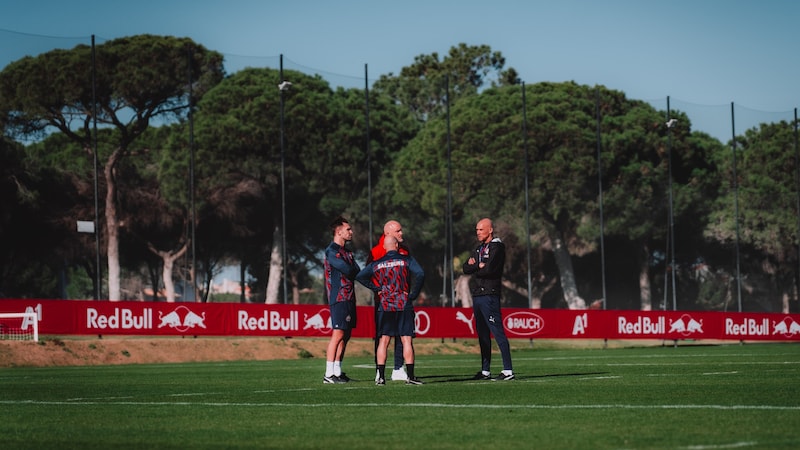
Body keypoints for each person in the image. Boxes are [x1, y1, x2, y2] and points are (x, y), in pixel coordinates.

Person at [357, 235, 425, 385]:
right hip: (403, 303)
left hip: (385, 304)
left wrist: (377, 289)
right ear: (397, 246)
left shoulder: (377, 263)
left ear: (384, 247)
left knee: (384, 340)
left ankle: (380, 377)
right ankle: (411, 377)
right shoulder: (406, 260)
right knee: (406, 339)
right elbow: (420, 273)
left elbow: (360, 276)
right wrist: (413, 294)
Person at [462, 218, 514, 381]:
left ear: (490, 230)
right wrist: (479, 265)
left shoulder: (497, 247)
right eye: (477, 230)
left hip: (490, 294)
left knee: (497, 331)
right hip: (478, 295)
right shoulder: (479, 249)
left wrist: (476, 267)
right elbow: (466, 268)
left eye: (481, 229)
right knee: (482, 334)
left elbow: (490, 269)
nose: (478, 232)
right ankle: (485, 370)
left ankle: (508, 370)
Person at [367, 220, 412, 382]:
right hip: (383, 302)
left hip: (402, 300)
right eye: (398, 231)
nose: (401, 233)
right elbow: (367, 274)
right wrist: (378, 290)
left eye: (401, 230)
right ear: (388, 234)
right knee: (382, 336)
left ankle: (398, 368)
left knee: (402, 335)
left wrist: (409, 292)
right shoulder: (376, 252)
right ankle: (380, 371)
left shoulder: (405, 251)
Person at [322, 216, 360, 384]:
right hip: (339, 297)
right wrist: (351, 269)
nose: (351, 232)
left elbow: (356, 270)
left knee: (346, 335)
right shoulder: (331, 250)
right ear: (339, 231)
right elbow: (348, 269)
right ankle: (328, 374)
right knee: (338, 334)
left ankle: (337, 371)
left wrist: (352, 269)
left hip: (350, 297)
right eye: (348, 229)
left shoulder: (348, 252)